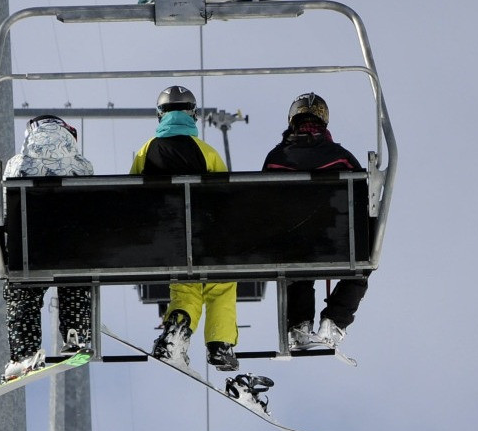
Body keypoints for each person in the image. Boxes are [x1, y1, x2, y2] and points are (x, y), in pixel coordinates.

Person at [134, 86, 241, 373]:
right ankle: (220, 345)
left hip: (167, 241)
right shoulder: (206, 152)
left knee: (185, 289)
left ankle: (177, 331)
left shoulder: (147, 151)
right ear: (192, 114)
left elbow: (130, 194)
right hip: (205, 237)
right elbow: (225, 197)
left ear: (161, 115)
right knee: (221, 285)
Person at [261, 93, 369, 350]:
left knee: (298, 269)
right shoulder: (341, 156)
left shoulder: (277, 158)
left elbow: (263, 200)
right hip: (337, 240)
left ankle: (299, 325)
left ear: (292, 120)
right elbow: (364, 199)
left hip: (294, 242)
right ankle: (334, 321)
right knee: (361, 266)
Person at [2, 115, 96, 380]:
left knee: (22, 293)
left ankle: (25, 352)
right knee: (75, 279)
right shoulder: (83, 166)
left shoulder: (17, 163)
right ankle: (75, 333)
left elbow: (5, 208)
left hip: (31, 250)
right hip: (72, 252)